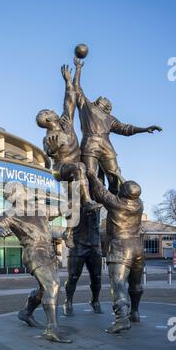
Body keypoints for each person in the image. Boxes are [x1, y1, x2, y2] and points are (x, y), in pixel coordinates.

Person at [0, 183, 72, 343]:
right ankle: (52, 329)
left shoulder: (39, 209)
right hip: (34, 252)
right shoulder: (10, 214)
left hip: (49, 251)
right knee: (53, 286)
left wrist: (74, 194)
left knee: (44, 289)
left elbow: (62, 209)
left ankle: (26, 312)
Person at [74, 57, 162, 194]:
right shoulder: (87, 106)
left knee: (115, 179)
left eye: (105, 100)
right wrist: (78, 69)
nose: (102, 98)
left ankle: (115, 205)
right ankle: (90, 205)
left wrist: (144, 129)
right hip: (90, 145)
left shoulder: (110, 118)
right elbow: (77, 89)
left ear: (107, 107)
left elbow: (126, 129)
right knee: (89, 175)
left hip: (106, 148)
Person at [86, 169, 145, 333]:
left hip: (120, 246)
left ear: (123, 192)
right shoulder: (139, 204)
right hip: (138, 247)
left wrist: (92, 176)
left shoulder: (116, 203)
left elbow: (101, 192)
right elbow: (130, 191)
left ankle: (122, 320)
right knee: (136, 283)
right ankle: (135, 312)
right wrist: (118, 176)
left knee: (118, 283)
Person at [37, 64, 100, 212]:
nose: (52, 110)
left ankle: (72, 226)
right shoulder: (48, 138)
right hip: (60, 169)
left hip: (75, 167)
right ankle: (88, 202)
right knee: (79, 167)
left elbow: (69, 101)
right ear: (47, 120)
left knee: (74, 198)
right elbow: (48, 151)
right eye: (49, 112)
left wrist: (68, 81)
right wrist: (51, 150)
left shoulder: (66, 122)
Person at [63, 208, 103, 316]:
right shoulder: (74, 201)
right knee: (73, 277)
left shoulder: (97, 197)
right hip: (78, 243)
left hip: (94, 244)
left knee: (97, 277)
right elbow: (68, 215)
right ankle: (68, 301)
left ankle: (95, 301)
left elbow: (112, 192)